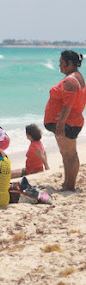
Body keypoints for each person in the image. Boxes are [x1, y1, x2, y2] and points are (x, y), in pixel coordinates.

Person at [44, 50, 85, 191]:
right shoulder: (75, 77)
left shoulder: (70, 81)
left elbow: (68, 105)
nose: (59, 66)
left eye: (61, 63)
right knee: (66, 154)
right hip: (69, 122)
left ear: (70, 63)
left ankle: (70, 185)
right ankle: (67, 183)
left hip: (68, 123)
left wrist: (61, 123)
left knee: (70, 155)